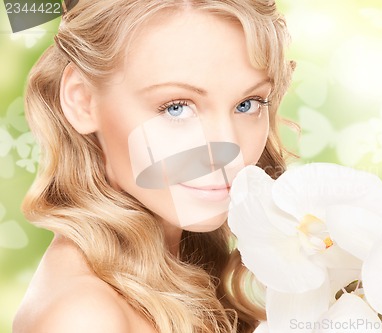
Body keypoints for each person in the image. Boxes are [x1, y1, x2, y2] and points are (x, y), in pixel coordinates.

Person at [13, 0, 294, 332]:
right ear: (82, 99)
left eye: (247, 104)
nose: (227, 151)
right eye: (176, 108)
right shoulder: (86, 317)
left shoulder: (183, 269)